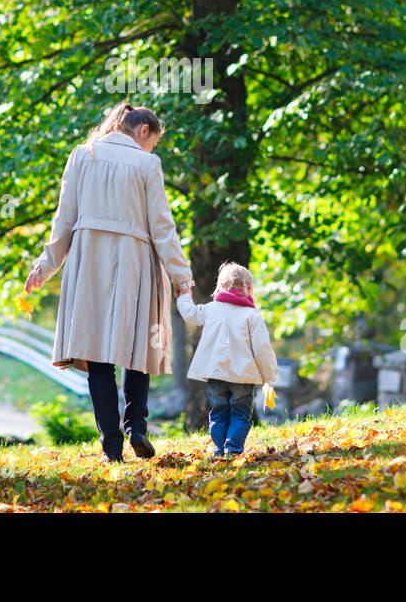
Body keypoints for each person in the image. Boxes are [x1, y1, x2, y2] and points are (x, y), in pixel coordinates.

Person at [25, 101, 194, 462]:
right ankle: (137, 427)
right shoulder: (147, 164)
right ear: (143, 131)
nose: (151, 149)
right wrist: (181, 276)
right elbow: (162, 227)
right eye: (153, 142)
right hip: (136, 262)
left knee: (98, 357)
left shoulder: (82, 155)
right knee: (138, 349)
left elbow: (64, 219)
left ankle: (111, 447)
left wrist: (44, 267)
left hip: (89, 264)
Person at [174, 262, 278, 457]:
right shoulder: (252, 315)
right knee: (240, 414)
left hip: (217, 375)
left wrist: (184, 295)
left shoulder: (211, 309)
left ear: (219, 287)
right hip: (243, 377)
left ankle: (220, 449)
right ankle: (234, 448)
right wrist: (268, 376)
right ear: (249, 289)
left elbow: (190, 314)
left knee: (218, 413)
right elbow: (262, 349)